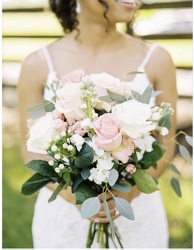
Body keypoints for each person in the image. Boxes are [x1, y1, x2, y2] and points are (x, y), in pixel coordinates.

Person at [18, 0, 177, 248]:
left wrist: (128, 193)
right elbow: (29, 151)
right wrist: (76, 197)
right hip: (64, 224)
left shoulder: (157, 59)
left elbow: (166, 144)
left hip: (136, 217)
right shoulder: (37, 65)